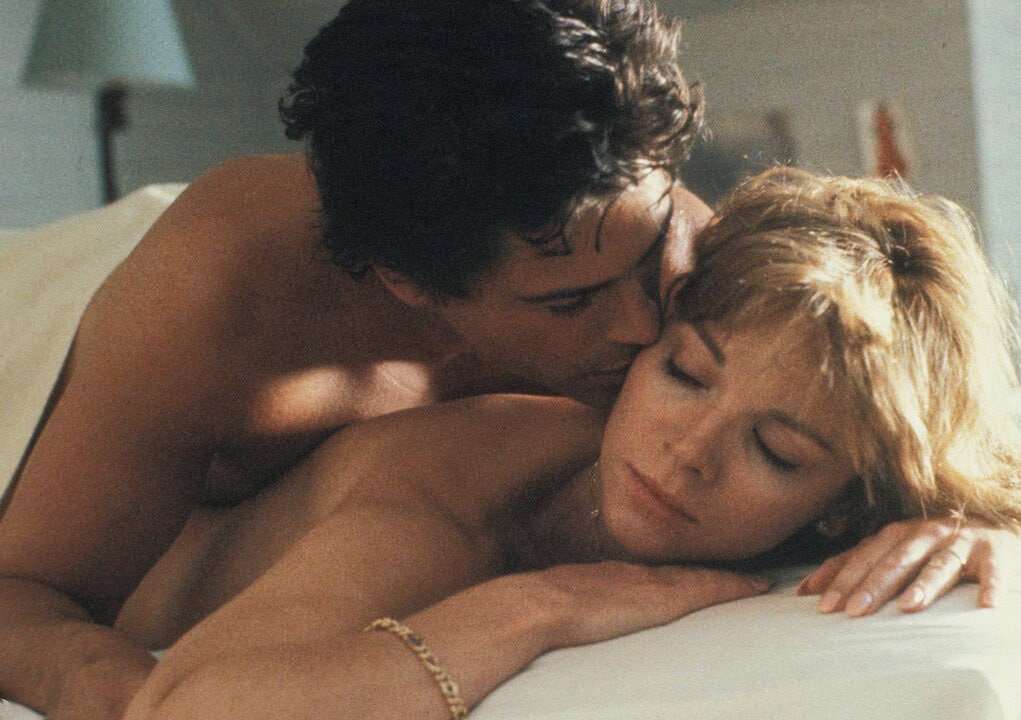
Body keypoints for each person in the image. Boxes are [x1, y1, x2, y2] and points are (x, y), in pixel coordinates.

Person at [114, 168, 1021, 720]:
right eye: (684, 375)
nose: (687, 452)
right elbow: (181, 709)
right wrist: (540, 608)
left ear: (849, 496)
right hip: (136, 568)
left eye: (777, 451)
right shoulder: (468, 491)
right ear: (650, 342)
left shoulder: (869, 486)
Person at [0, 2, 713, 718]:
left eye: (650, 254)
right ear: (405, 279)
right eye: (570, 303)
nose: (646, 324)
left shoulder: (664, 233)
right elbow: (23, 595)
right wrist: (129, 694)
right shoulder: (215, 301)